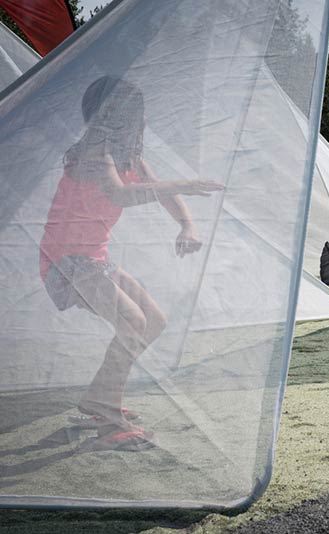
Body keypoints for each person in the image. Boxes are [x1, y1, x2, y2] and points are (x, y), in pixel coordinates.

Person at [39, 76, 224, 450]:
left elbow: (158, 193)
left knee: (153, 320)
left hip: (93, 259)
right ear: (114, 117)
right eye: (135, 115)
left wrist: (187, 224)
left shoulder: (129, 157)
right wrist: (184, 184)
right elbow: (120, 194)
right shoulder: (94, 153)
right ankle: (108, 420)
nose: (142, 123)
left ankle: (99, 397)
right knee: (132, 321)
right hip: (64, 263)